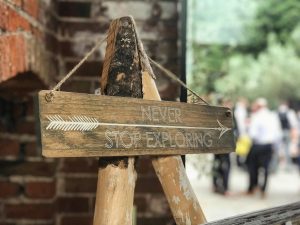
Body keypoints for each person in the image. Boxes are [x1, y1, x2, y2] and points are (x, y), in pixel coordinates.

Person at [247, 98, 281, 197]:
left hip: (258, 145)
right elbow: (277, 134)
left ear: (258, 106)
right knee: (265, 168)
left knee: (253, 167)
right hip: (269, 145)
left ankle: (253, 187)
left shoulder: (256, 116)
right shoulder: (273, 116)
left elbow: (253, 134)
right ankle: (263, 190)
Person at [278, 101, 299, 169]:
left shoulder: (278, 112)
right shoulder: (289, 112)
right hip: (287, 132)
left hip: (280, 132)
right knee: (287, 149)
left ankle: (276, 167)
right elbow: (293, 123)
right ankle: (288, 166)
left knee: (279, 149)